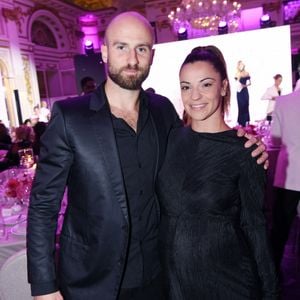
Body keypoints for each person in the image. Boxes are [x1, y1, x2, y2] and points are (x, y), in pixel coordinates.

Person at [27, 12, 268, 300]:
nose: (132, 59)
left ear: (151, 55)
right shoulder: (70, 117)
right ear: (104, 52)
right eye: (121, 47)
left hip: (159, 275)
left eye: (141, 48)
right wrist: (44, 286)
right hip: (93, 280)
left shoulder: (162, 110)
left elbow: (197, 149)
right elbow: (43, 206)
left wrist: (243, 143)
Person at [157, 46, 279, 299]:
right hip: (176, 282)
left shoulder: (245, 152)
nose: (195, 96)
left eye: (206, 84)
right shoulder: (170, 139)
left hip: (227, 282)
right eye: (186, 86)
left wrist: (270, 292)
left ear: (223, 87)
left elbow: (255, 229)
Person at [270, 89, 300, 272]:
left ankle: (272, 274)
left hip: (289, 174)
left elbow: (275, 139)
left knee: (280, 229)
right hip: (288, 175)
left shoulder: (283, 101)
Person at [235, 60, 251, 126]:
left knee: (246, 105)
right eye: (239, 65)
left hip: (245, 91)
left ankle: (246, 120)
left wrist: (245, 85)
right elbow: (236, 83)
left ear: (243, 65)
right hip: (239, 92)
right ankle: (240, 121)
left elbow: (250, 83)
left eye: (241, 64)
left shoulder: (247, 73)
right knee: (240, 106)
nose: (240, 66)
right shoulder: (237, 74)